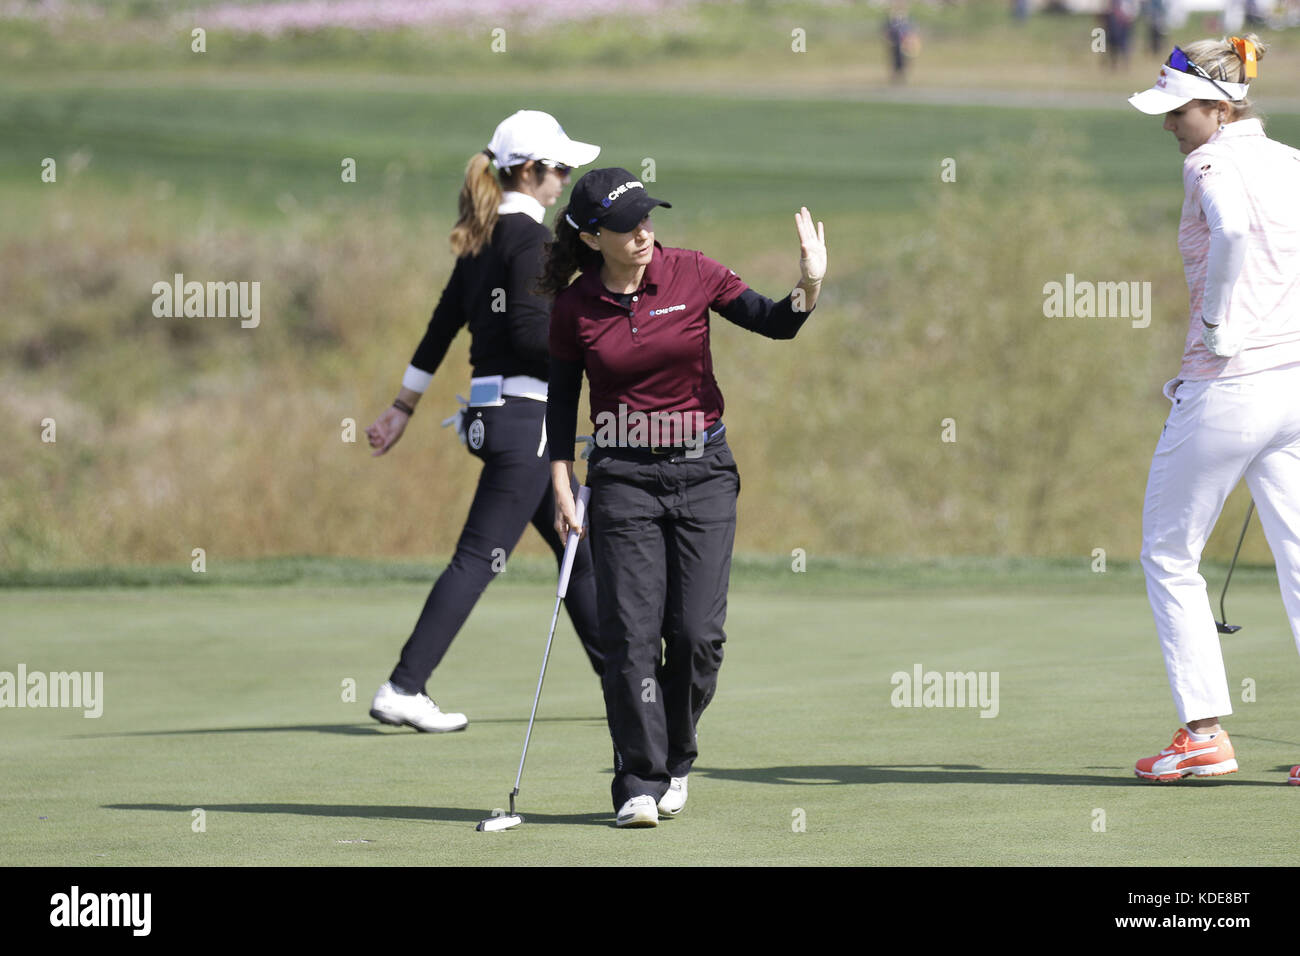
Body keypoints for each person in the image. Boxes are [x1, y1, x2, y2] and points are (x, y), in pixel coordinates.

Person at [540, 168, 827, 825]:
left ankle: (673, 754)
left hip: (703, 473)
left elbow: (775, 324)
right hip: (623, 481)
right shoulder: (575, 308)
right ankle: (638, 781)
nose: (644, 231)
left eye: (647, 218)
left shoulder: (693, 273)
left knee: (697, 636)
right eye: (626, 225)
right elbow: (561, 404)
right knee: (631, 637)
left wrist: (809, 282)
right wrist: (562, 477)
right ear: (592, 238)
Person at [364, 110, 606, 733]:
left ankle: (627, 682)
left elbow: (441, 327)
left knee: (575, 545)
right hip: (527, 426)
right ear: (530, 172)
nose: (566, 179)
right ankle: (404, 685)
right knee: (479, 557)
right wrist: (594, 352)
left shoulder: (483, 237)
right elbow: (531, 333)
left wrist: (402, 409)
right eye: (560, 169)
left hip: (495, 416)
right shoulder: (531, 242)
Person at [1128, 36, 1300, 785]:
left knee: (1169, 552)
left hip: (1227, 383)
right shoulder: (1292, 161)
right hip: (1295, 384)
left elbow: (1229, 229)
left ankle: (1203, 734)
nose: (1169, 126)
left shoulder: (1211, 161)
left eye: (1178, 111)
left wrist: (1222, 321)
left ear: (1219, 108)